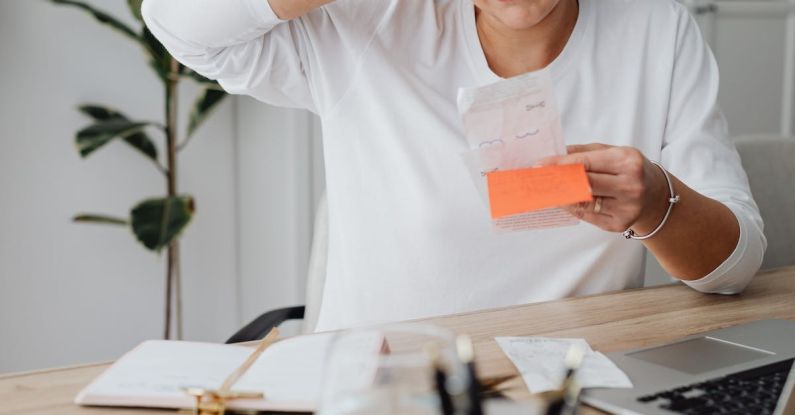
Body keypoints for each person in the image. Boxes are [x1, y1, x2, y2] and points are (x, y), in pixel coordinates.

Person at [143, 0, 766, 332]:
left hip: (570, 387)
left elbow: (734, 269)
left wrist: (659, 204)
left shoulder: (658, 29)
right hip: (385, 388)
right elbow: (177, 20)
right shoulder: (369, 24)